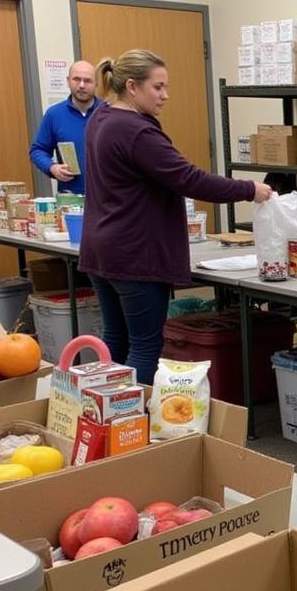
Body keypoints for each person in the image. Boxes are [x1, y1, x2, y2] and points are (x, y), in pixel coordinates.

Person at [79, 49, 271, 385]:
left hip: (101, 248)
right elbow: (188, 178)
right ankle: (132, 426)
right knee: (144, 346)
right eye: (158, 87)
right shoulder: (136, 131)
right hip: (134, 255)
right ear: (131, 86)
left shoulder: (102, 117)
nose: (165, 96)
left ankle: (105, 421)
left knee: (116, 339)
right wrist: (249, 189)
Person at [29, 60, 100, 194]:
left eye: (88, 81)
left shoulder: (109, 112)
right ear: (68, 81)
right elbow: (37, 150)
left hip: (107, 198)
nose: (82, 85)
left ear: (97, 83)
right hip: (70, 197)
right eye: (76, 79)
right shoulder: (54, 114)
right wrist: (52, 167)